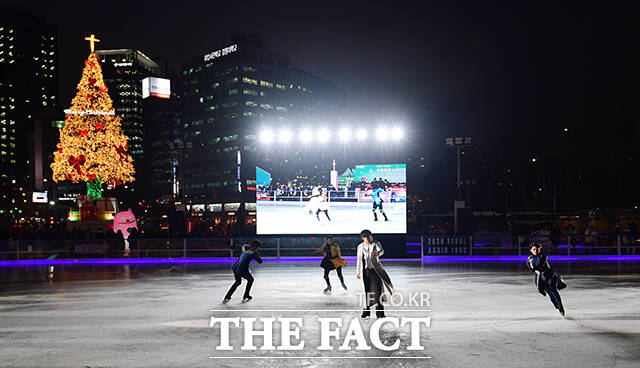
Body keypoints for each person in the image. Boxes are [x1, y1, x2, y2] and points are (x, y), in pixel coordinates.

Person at [356, 229, 394, 319]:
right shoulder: (360, 247)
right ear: (363, 238)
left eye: (369, 237)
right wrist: (358, 272)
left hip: (375, 271)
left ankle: (380, 313)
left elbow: (382, 251)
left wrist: (377, 253)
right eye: (366, 238)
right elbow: (359, 260)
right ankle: (366, 312)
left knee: (378, 291)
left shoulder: (375, 243)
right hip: (366, 271)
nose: (368, 239)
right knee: (367, 291)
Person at [526, 242, 567, 316]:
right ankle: (558, 308)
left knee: (554, 292)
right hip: (541, 279)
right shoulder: (529, 259)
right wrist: (531, 268)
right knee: (551, 295)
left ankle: (561, 309)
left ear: (540, 249)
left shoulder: (543, 256)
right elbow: (529, 266)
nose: (536, 251)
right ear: (531, 250)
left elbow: (540, 265)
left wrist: (533, 269)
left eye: (537, 249)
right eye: (534, 249)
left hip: (550, 276)